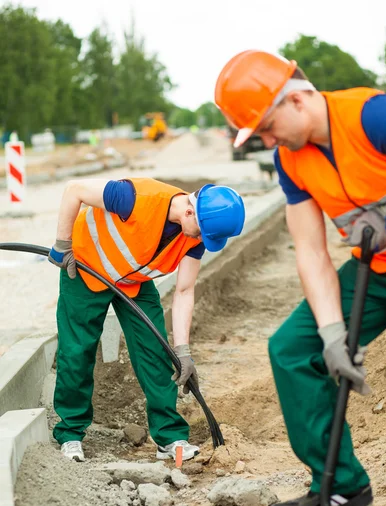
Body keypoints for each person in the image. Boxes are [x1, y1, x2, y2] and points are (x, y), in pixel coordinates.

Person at [215, 50, 386, 506]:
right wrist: (333, 334)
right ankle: (340, 487)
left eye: (266, 126)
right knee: (294, 349)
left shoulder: (374, 115)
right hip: (374, 270)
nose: (266, 139)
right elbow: (310, 251)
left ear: (297, 99)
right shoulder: (290, 159)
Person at [49, 177, 245, 462]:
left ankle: (169, 437)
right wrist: (63, 244)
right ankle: (70, 434)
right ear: (190, 212)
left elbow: (185, 290)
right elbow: (73, 190)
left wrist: (183, 352)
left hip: (133, 281)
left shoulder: (193, 238)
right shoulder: (134, 197)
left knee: (156, 351)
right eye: (203, 233)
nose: (202, 240)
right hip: (83, 268)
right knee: (77, 351)